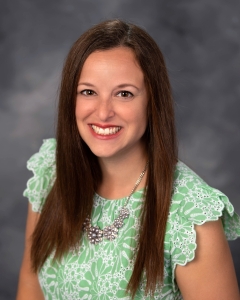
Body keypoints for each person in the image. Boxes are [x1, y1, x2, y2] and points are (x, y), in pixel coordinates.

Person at [17, 19, 240, 299]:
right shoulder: (52, 172)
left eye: (124, 94)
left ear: (152, 101)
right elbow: (30, 290)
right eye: (88, 92)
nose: (103, 112)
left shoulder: (191, 213)